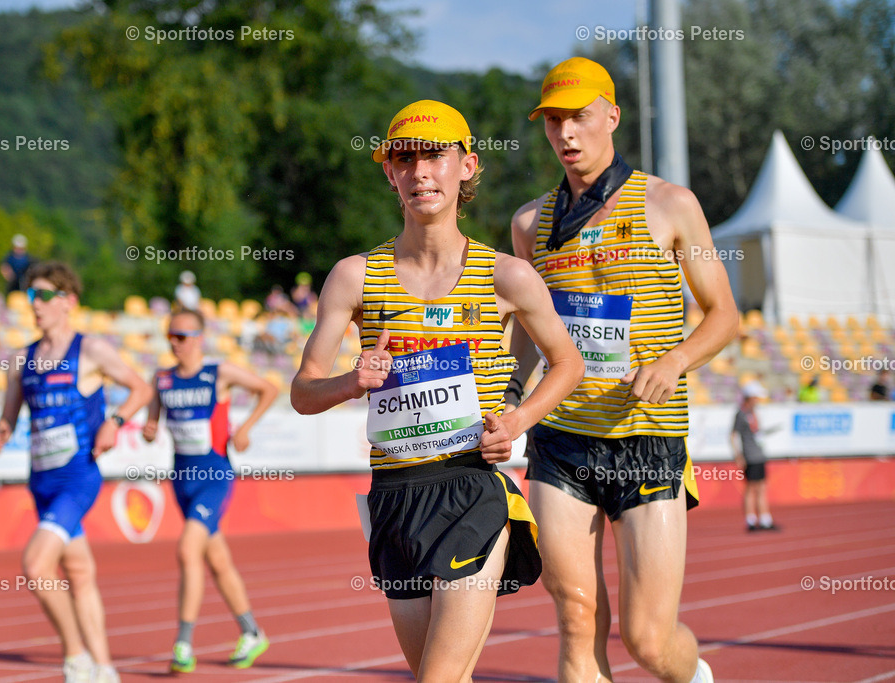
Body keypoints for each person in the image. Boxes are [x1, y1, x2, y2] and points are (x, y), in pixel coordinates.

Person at [291, 100, 584, 681]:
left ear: (468, 166)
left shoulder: (507, 275)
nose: (420, 170)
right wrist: (352, 381)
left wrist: (519, 421)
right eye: (404, 157)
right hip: (395, 497)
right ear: (389, 172)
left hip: (473, 491)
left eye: (435, 154)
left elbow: (567, 364)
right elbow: (303, 391)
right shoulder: (354, 276)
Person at [507, 57, 738, 682]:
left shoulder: (670, 204)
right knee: (577, 620)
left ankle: (694, 677)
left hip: (647, 439)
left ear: (612, 115)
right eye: (554, 121)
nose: (566, 134)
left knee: (647, 640)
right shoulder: (530, 223)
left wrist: (675, 358)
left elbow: (723, 316)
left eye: (579, 117)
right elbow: (530, 333)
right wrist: (508, 401)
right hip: (561, 441)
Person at [0, 261, 153, 683]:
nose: (35, 304)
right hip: (41, 481)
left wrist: (114, 423)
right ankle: (104, 668)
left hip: (78, 477)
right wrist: (1, 433)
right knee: (79, 573)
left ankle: (75, 656)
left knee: (36, 566)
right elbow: (9, 416)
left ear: (68, 302)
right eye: (30, 296)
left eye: (44, 295)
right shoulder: (21, 359)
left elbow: (141, 387)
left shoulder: (91, 350)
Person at [141, 309, 278, 672]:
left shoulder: (218, 374)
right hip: (181, 481)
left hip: (214, 478)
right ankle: (252, 632)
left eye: (182, 337)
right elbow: (150, 423)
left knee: (188, 550)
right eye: (171, 335)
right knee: (217, 560)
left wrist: (245, 428)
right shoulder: (163, 379)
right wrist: (148, 430)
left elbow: (269, 389)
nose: (175, 342)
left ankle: (183, 643)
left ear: (200, 338)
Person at [732, 380, 777, 531]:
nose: (758, 400)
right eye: (756, 397)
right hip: (750, 456)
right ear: (749, 397)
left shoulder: (753, 413)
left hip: (759, 455)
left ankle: (765, 519)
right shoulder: (741, 414)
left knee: (762, 488)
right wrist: (738, 455)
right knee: (751, 488)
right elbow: (733, 435)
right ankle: (750, 520)